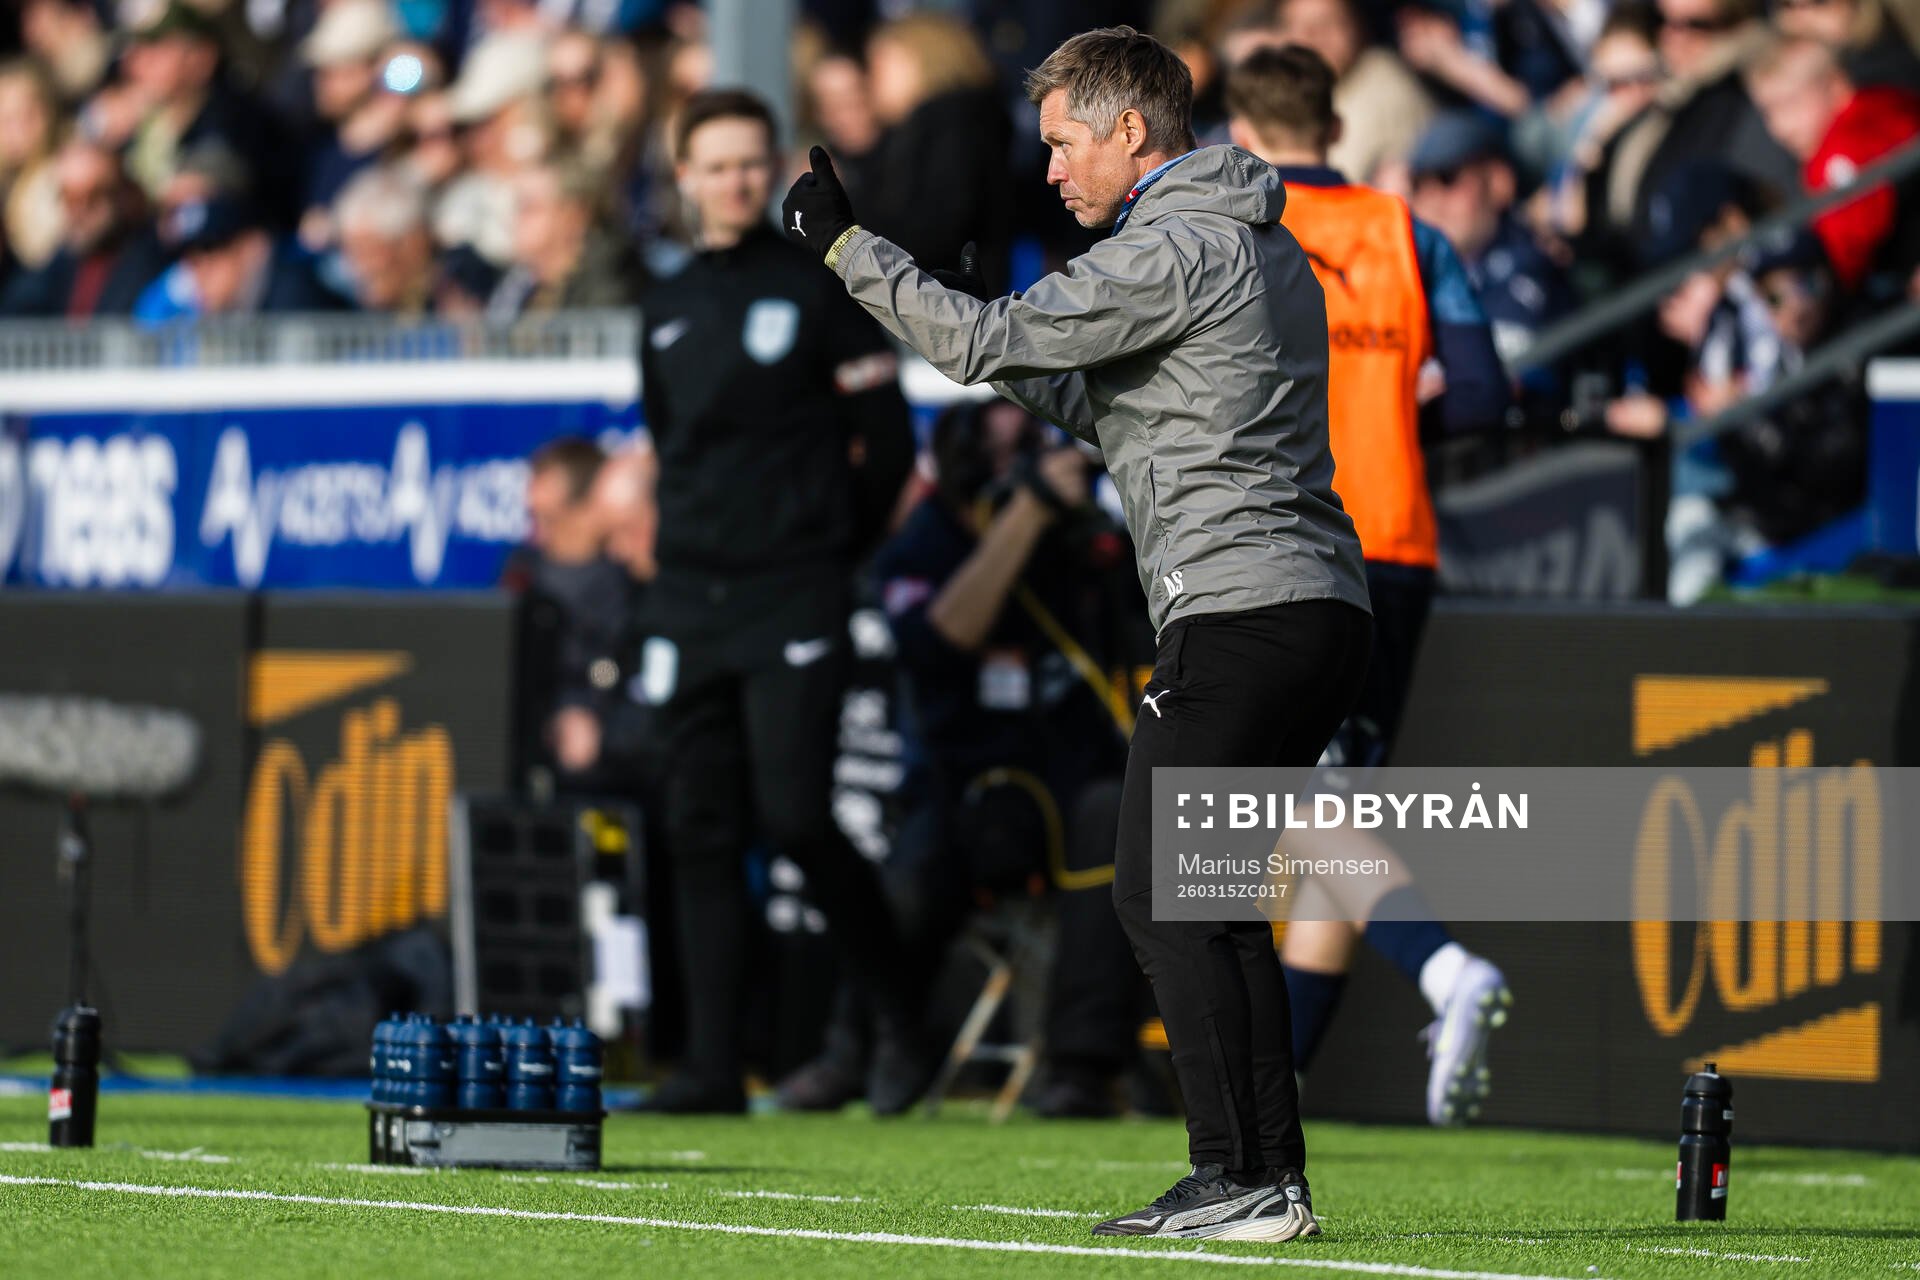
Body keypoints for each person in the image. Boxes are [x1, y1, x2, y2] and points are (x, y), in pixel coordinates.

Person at [784, 24, 1369, 1242]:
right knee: (1209, 899)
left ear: (1130, 133)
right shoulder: (1261, 246)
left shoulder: (1171, 243)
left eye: (1062, 146)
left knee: (1160, 894)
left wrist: (847, 246)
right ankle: (1270, 1180)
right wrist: (996, 338)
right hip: (1316, 606)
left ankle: (1238, 1176)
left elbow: (985, 342)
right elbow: (1116, 410)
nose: (1051, 173)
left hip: (1238, 609)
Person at [1225, 43, 1515, 1128]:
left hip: (1291, 537)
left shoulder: (1240, 230)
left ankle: (1443, 966)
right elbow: (1485, 395)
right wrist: (1398, 417)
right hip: (1398, 540)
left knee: (1285, 799)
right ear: (1333, 130)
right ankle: (1275, 1095)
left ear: (1242, 137)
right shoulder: (1412, 232)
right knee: (1329, 817)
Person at [635, 88, 919, 1116]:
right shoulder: (663, 304)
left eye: (751, 162)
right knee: (700, 826)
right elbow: (675, 448)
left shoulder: (816, 283)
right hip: (689, 597)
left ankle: (898, 1017)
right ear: (684, 180)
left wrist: (833, 544)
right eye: (715, 165)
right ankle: (712, 1062)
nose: (736, 181)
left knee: (799, 816)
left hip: (793, 590)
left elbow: (889, 443)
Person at [777, 400, 1150, 1120]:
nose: (1028, 472)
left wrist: (1070, 514)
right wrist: (1025, 512)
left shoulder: (1080, 541)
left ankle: (1079, 1068)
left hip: (1070, 778)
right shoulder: (925, 541)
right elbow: (942, 636)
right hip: (961, 784)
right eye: (1010, 460)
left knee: (1119, 817)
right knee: (910, 872)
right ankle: (862, 1046)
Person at [1405, 112, 1577, 415]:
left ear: (1499, 182)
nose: (1431, 200)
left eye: (1448, 178)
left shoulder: (1530, 268)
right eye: (1418, 184)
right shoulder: (1415, 271)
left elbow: (1508, 379)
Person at [1745, 36, 1920, 300]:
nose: (1781, 127)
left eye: (1792, 103)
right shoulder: (1891, 102)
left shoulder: (1840, 150)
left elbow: (1850, 248)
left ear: (1836, 85)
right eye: (1769, 111)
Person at [0, 139, 166, 319]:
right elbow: (19, 304)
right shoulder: (64, 259)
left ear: (120, 195)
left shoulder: (149, 258)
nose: (78, 211)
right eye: (68, 197)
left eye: (92, 196)